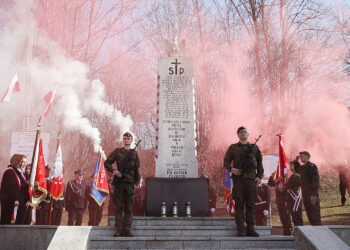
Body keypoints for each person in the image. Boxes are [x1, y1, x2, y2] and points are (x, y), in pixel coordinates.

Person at [224, 126, 264, 237]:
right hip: (239, 181)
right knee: (239, 205)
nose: (243, 133)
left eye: (245, 132)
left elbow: (260, 164)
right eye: (241, 132)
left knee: (251, 205)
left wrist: (259, 176)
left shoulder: (255, 148)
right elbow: (226, 161)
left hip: (251, 181)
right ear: (238, 135)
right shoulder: (233, 147)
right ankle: (241, 228)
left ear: (248, 134)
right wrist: (231, 169)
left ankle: (250, 228)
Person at [104, 132, 141, 237]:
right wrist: (114, 171)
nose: (126, 140)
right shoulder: (117, 151)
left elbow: (137, 168)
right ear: (123, 140)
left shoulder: (135, 153)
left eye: (128, 138)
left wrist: (136, 182)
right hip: (119, 183)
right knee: (118, 207)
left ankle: (127, 229)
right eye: (124, 138)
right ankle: (119, 229)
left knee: (129, 207)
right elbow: (107, 163)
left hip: (130, 184)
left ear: (131, 140)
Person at [292, 151, 321, 225]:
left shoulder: (311, 166)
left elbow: (315, 180)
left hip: (311, 194)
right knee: (310, 216)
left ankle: (319, 234)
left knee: (315, 216)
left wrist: (313, 194)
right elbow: (297, 169)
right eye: (300, 156)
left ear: (307, 157)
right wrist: (296, 161)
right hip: (305, 194)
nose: (300, 157)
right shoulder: (303, 167)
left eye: (302, 156)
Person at [0, 154, 30, 224]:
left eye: (25, 162)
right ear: (17, 161)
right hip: (8, 201)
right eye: (22, 161)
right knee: (6, 221)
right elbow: (11, 188)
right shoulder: (9, 171)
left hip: (18, 200)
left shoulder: (20, 172)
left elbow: (22, 187)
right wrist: (16, 199)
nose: (24, 164)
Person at [284, 161, 303, 229]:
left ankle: (300, 231)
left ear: (296, 166)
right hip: (292, 198)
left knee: (297, 216)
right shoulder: (293, 175)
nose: (290, 166)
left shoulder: (296, 176)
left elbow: (289, 184)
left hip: (295, 198)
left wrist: (281, 185)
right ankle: (297, 231)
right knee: (294, 216)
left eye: (292, 165)